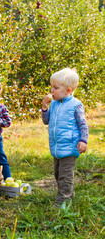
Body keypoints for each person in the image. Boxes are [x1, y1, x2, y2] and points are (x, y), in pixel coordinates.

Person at [41, 68, 88, 208]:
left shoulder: (75, 105)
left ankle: (63, 201)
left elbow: (83, 125)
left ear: (68, 90)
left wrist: (83, 140)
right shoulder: (54, 103)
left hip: (69, 147)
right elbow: (46, 120)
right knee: (57, 174)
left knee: (65, 176)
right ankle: (69, 194)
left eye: (56, 88)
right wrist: (44, 107)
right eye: (51, 87)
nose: (52, 91)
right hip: (56, 147)